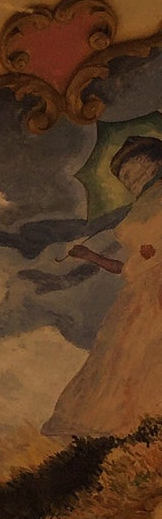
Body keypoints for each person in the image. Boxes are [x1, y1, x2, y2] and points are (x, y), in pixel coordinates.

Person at [45, 134, 162, 440]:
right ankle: (133, 434)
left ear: (151, 163)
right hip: (139, 299)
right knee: (123, 364)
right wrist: (90, 256)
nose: (129, 180)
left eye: (131, 170)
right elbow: (129, 269)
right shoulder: (140, 209)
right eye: (123, 175)